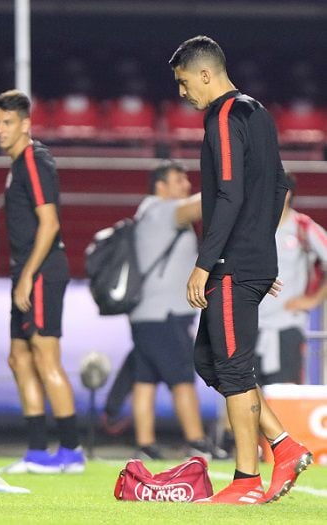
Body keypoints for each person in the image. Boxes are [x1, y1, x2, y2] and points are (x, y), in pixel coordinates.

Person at [170, 35, 312, 504]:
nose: (182, 93)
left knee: (230, 368)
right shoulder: (261, 113)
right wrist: (258, 250)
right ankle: (285, 445)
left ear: (206, 75)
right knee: (208, 362)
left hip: (230, 264)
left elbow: (228, 193)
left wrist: (204, 263)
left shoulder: (225, 116)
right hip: (247, 257)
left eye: (184, 82)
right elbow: (276, 189)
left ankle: (247, 479)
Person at [0, 90, 84, 474]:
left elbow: (50, 223)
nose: (0, 130)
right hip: (27, 270)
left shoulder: (34, 160)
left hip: (42, 270)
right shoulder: (19, 163)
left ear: (26, 125)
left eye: (8, 123)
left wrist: (28, 276)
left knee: (46, 357)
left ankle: (71, 451)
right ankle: (35, 451)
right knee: (18, 358)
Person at [127, 160, 222, 461]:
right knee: (181, 378)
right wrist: (229, 180)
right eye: (179, 180)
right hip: (165, 314)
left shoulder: (145, 212)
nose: (186, 185)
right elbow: (200, 205)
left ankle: (145, 445)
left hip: (146, 314)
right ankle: (197, 441)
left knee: (146, 379)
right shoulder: (162, 210)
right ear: (161, 185)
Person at [256, 172, 327, 385]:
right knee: (246, 398)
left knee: (285, 394)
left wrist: (314, 300)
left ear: (286, 194)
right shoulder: (252, 226)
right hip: (250, 326)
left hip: (287, 326)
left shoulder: (303, 227)